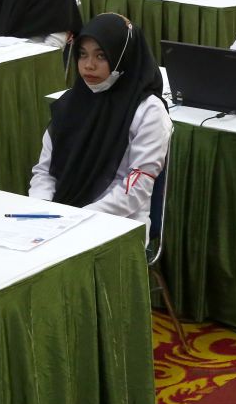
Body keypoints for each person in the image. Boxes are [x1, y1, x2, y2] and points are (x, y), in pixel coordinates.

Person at [30, 13, 172, 239]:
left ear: (122, 57)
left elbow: (138, 185)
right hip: (59, 218)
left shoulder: (148, 111)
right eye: (82, 55)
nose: (89, 66)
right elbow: (45, 171)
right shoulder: (70, 104)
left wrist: (80, 218)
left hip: (118, 221)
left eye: (101, 56)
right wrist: (42, 210)